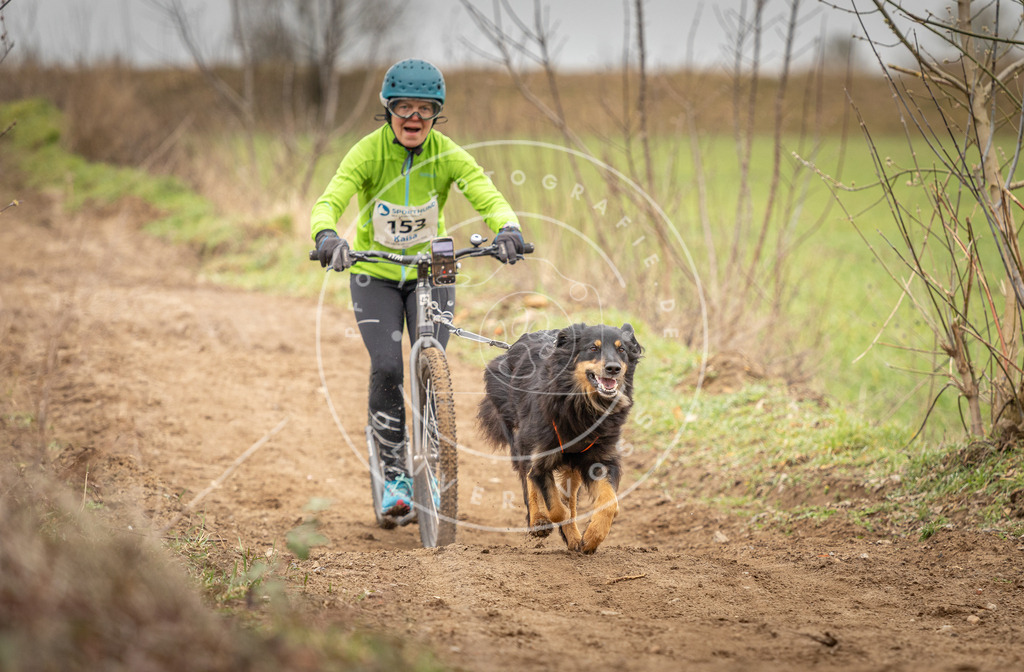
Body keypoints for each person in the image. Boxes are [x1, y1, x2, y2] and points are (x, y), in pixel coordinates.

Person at [311, 58, 526, 524]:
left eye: (425, 109)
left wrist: (507, 228)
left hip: (435, 270)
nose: (414, 118)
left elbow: (484, 192)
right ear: (387, 110)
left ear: (436, 114)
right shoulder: (368, 153)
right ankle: (394, 475)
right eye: (403, 107)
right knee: (387, 365)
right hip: (375, 273)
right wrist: (326, 236)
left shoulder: (447, 153)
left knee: (433, 364)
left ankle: (434, 458)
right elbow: (331, 197)